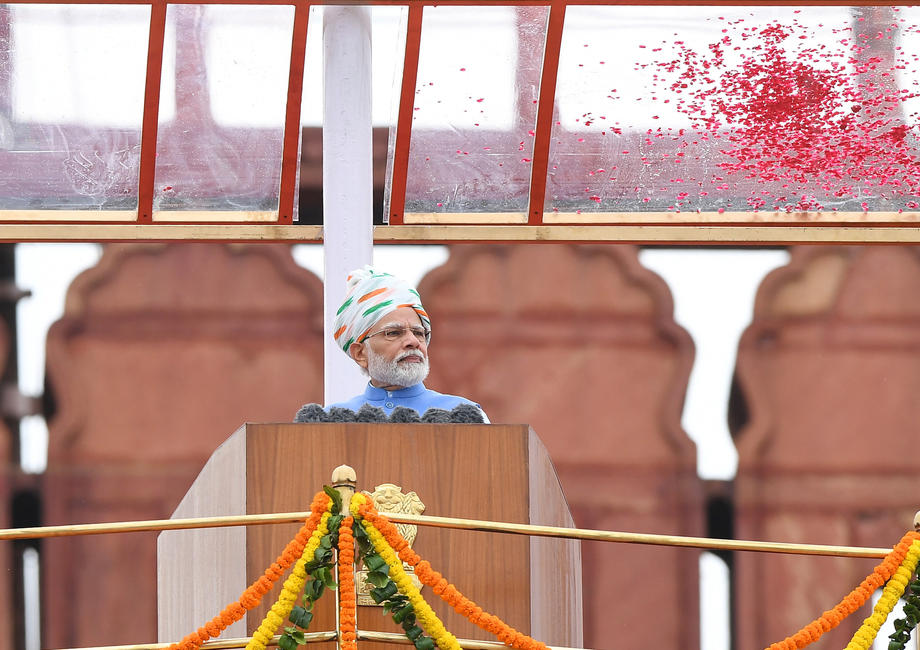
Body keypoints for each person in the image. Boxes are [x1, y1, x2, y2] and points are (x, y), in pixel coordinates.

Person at [325, 266, 488, 421]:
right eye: (394, 333)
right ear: (360, 353)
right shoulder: (329, 422)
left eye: (419, 333)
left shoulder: (463, 416)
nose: (413, 342)